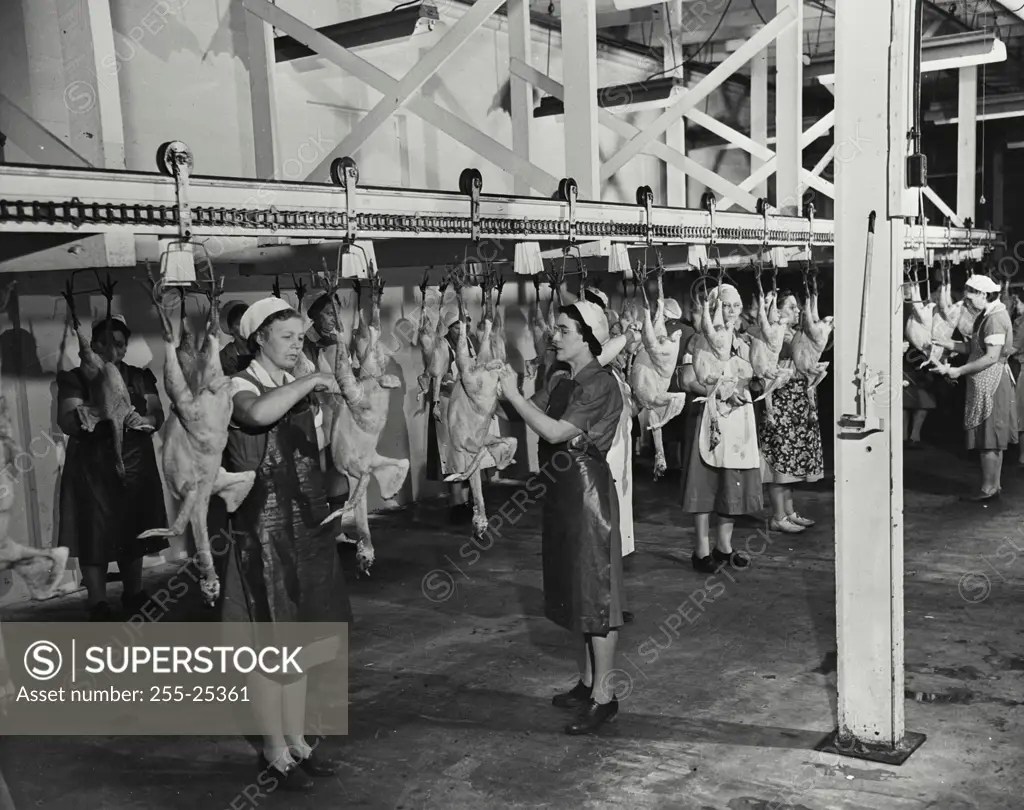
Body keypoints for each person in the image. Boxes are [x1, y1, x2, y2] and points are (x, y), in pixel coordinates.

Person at [217, 296, 350, 792]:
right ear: (260, 339)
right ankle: (274, 750)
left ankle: (298, 741)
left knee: (299, 638)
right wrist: (311, 380)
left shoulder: (296, 387)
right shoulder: (240, 384)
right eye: (288, 337)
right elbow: (254, 417)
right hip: (261, 529)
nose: (298, 346)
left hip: (304, 522)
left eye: (301, 337)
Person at [498, 300, 626, 736]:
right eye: (555, 328)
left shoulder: (600, 384)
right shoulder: (560, 379)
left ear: (588, 338)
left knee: (597, 599)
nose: (554, 336)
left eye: (564, 329)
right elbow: (519, 412)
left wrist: (514, 395)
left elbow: (553, 432)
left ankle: (605, 698)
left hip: (588, 493)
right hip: (561, 493)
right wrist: (497, 387)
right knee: (574, 591)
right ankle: (587, 683)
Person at [57, 315, 168, 620]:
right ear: (94, 344)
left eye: (119, 345)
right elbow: (67, 420)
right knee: (94, 532)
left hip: (135, 462)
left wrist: (144, 421)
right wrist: (99, 411)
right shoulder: (75, 378)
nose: (113, 350)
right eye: (106, 343)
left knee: (134, 528)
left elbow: (157, 412)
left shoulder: (139, 376)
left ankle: (134, 593)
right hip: (92, 466)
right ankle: (98, 601)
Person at [678, 284, 762, 573]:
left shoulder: (740, 341)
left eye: (736, 305)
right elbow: (688, 380)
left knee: (731, 483)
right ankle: (701, 550)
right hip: (708, 417)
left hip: (737, 419)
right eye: (725, 305)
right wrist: (720, 391)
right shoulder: (698, 340)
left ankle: (723, 546)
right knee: (706, 483)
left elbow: (749, 376)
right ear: (712, 307)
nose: (731, 311)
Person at [933, 274, 1018, 501]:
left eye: (971, 297)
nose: (968, 302)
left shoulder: (996, 318)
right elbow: (974, 346)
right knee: (989, 439)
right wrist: (946, 343)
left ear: (983, 294)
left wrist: (958, 371)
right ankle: (993, 485)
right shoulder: (985, 315)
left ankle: (988, 489)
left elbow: (991, 357)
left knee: (989, 439)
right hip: (983, 381)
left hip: (992, 382)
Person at [753, 291, 823, 534]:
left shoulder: (794, 334)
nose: (797, 311)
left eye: (797, 307)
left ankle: (790, 512)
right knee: (779, 462)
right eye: (791, 307)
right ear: (777, 310)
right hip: (780, 405)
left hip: (797, 404)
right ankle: (777, 516)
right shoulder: (773, 336)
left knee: (791, 463)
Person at [300, 293, 349, 517]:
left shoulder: (336, 339)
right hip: (315, 415)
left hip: (337, 413)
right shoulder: (303, 344)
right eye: (330, 313)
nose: (335, 319)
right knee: (317, 471)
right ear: (314, 315)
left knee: (337, 470)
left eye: (337, 313)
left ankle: (337, 528)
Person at [426, 309, 476, 523]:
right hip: (448, 406)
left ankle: (466, 502)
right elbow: (438, 379)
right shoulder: (443, 347)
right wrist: (436, 403)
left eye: (465, 325)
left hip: (466, 405)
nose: (462, 330)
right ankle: (456, 505)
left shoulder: (469, 344)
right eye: (457, 326)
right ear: (449, 327)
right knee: (454, 457)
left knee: (467, 455)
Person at [219, 300, 252, 375]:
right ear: (231, 329)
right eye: (240, 323)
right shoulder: (224, 356)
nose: (246, 327)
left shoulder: (262, 349)